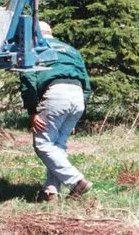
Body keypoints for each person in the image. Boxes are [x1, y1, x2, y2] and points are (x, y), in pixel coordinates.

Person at [21, 21, 93, 203]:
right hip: (77, 96)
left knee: (43, 145)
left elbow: (28, 80)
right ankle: (50, 192)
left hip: (56, 93)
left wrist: (32, 112)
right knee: (57, 146)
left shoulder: (35, 49)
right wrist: (74, 115)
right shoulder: (71, 50)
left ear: (34, 35)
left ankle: (77, 182)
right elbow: (86, 84)